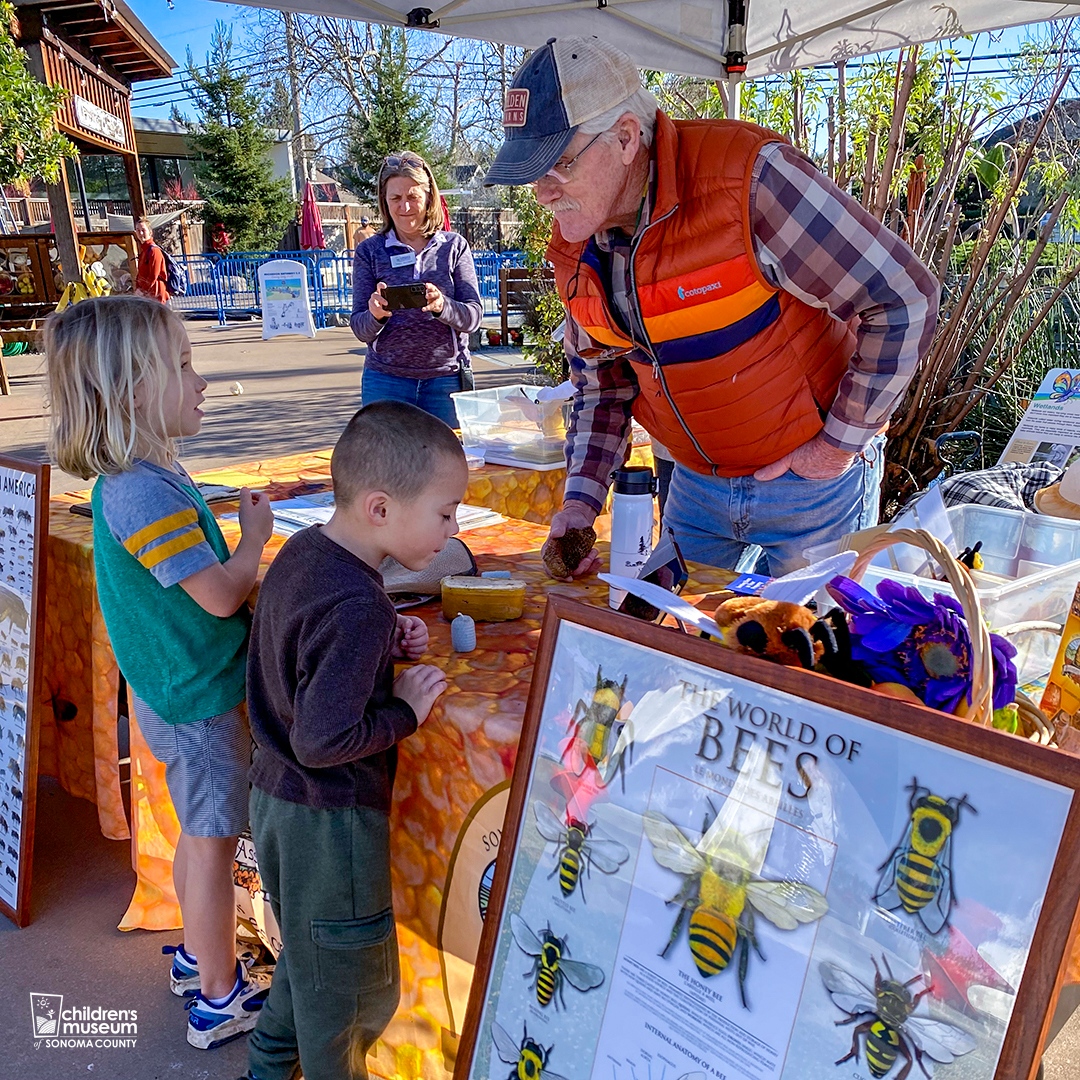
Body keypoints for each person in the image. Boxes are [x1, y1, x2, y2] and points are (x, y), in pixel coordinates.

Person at [485, 38, 940, 578]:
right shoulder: (575, 245)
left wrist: (837, 446)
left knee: (806, 649)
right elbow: (602, 383)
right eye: (531, 172)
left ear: (627, 136)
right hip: (694, 486)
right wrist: (581, 504)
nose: (542, 192)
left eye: (558, 165)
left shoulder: (749, 182)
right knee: (678, 645)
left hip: (810, 487)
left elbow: (903, 296)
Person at [44, 295, 274, 1049]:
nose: (202, 380)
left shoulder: (144, 476)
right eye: (181, 365)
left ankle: (197, 956)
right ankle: (217, 993)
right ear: (131, 389)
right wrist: (254, 541)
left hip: (173, 693)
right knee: (211, 843)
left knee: (196, 835)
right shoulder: (143, 489)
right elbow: (219, 597)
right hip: (199, 700)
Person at [242, 401, 465, 1080]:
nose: (452, 530)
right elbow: (324, 738)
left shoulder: (311, 551)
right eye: (446, 511)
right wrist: (402, 711)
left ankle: (267, 1066)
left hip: (278, 802)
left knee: (311, 966)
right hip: (328, 821)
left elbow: (304, 650)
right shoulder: (360, 605)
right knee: (352, 995)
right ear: (379, 508)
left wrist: (384, 647)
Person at [350, 153, 483, 427]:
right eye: (395, 198)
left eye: (413, 197)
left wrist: (442, 305)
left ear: (429, 197)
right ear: (384, 202)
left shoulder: (454, 247)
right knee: (386, 469)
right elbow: (360, 328)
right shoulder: (369, 251)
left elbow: (473, 317)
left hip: (446, 382)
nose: (405, 207)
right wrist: (375, 314)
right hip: (386, 383)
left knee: (451, 469)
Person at [134, 217, 168, 303]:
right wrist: (138, 288)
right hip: (147, 294)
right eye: (138, 230)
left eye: (143, 230)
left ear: (150, 232)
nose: (141, 233)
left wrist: (142, 291)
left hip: (156, 293)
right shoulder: (144, 251)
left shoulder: (154, 251)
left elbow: (153, 275)